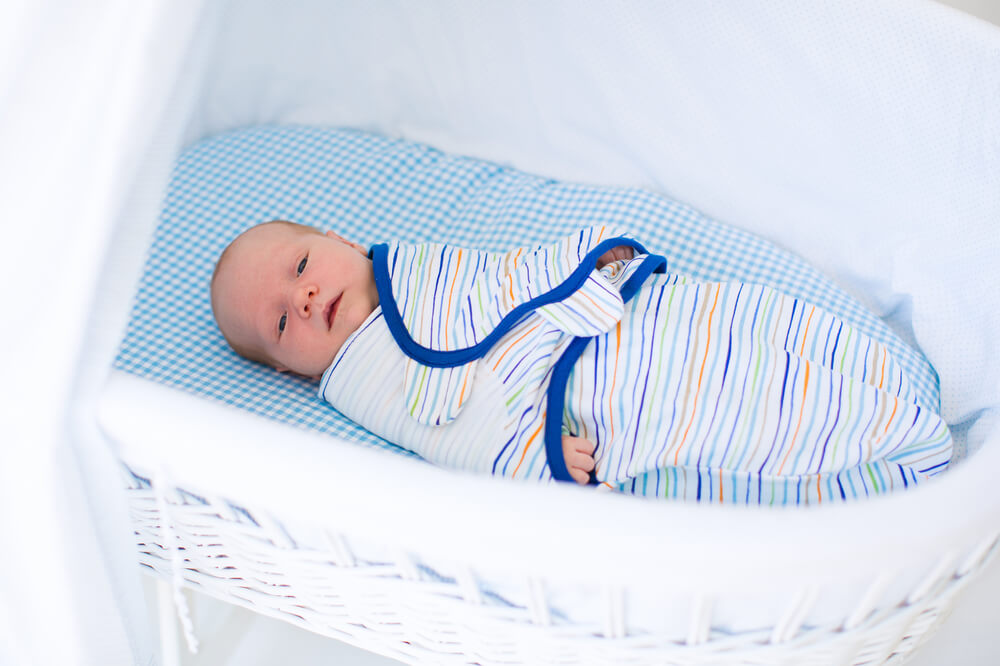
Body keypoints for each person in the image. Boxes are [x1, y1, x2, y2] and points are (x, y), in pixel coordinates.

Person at [211, 220, 952, 503]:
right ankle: (885, 446)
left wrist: (577, 264)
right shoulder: (359, 376)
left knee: (741, 322)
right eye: (280, 321)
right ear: (288, 371)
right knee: (726, 401)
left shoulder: (415, 265)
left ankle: (871, 382)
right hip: (588, 391)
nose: (304, 296)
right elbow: (448, 432)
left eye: (300, 264)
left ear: (339, 237)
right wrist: (542, 458)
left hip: (633, 316)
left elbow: (505, 278)